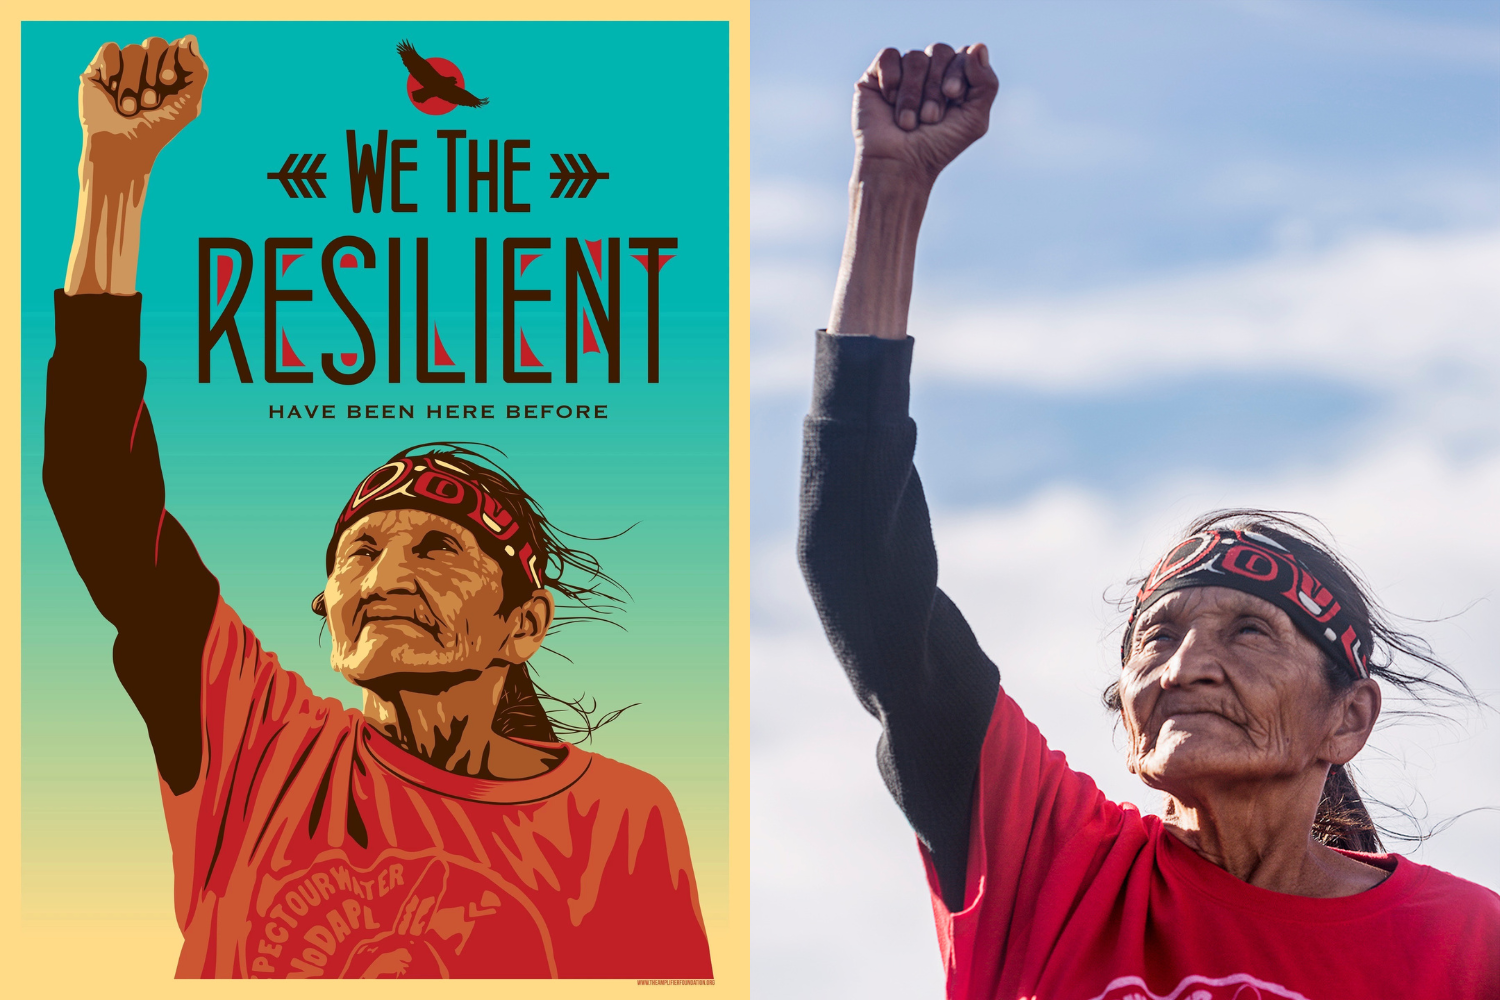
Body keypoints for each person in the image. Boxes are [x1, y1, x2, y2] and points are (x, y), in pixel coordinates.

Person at [798, 41, 1500, 999]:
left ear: (1349, 717)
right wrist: (888, 196)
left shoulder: (1466, 945)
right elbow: (863, 570)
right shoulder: (1047, 867)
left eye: (1250, 631)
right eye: (1155, 639)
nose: (1185, 666)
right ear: (1126, 720)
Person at [44, 36, 712, 980]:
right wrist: (113, 174)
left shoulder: (621, 820)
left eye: (439, 548)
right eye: (357, 554)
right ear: (325, 609)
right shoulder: (255, 744)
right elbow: (96, 487)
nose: (384, 577)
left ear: (524, 624)